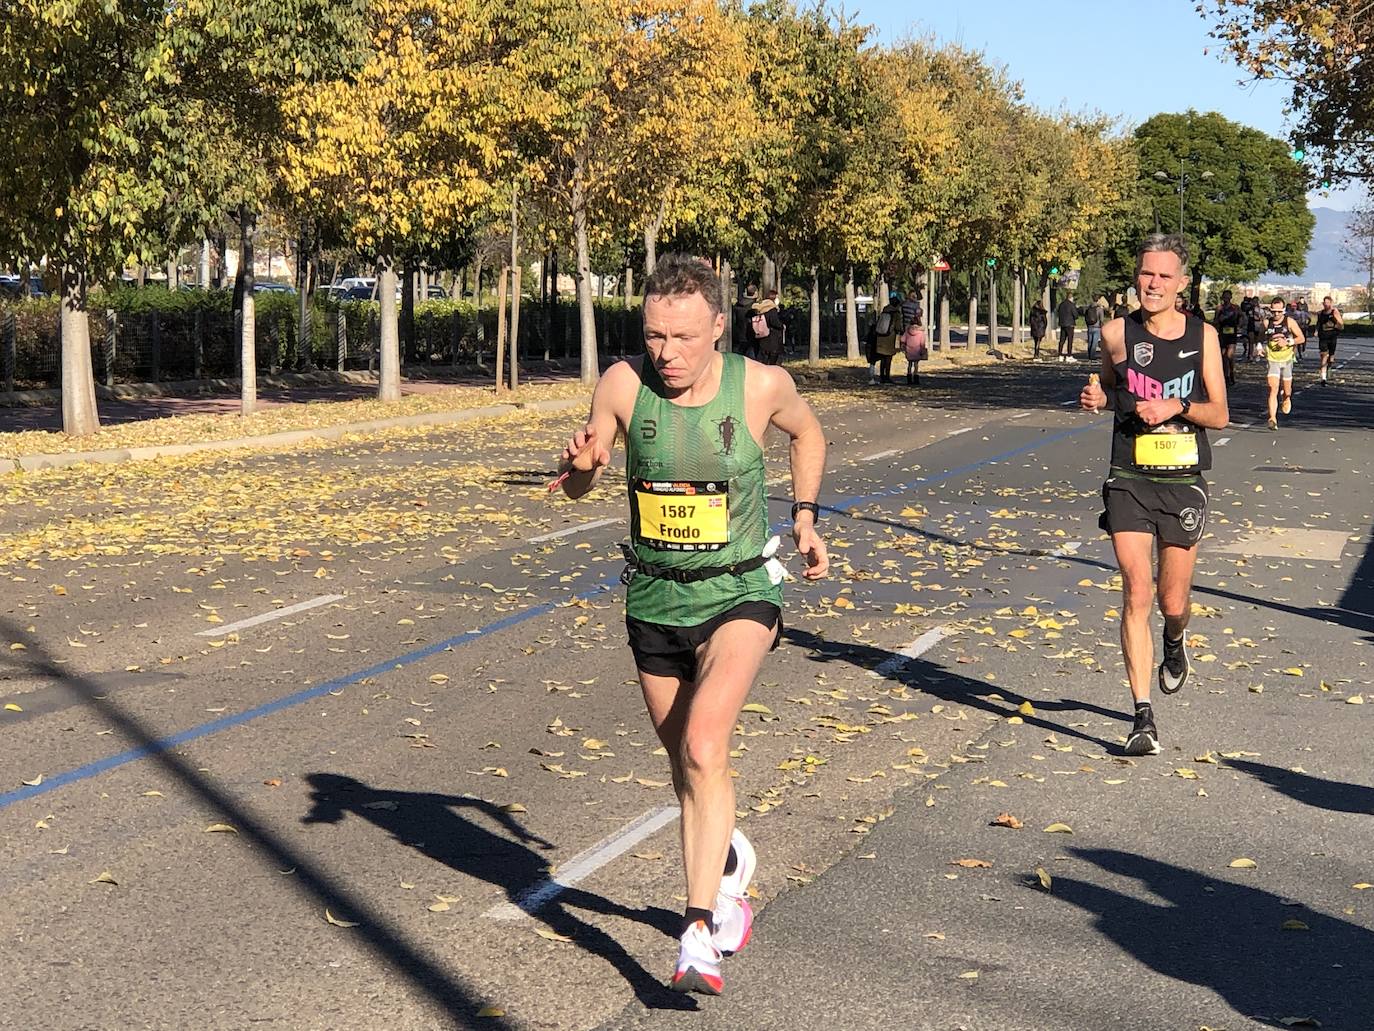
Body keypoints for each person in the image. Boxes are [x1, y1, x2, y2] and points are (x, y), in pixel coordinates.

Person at [554, 253, 829, 996]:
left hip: (738, 589)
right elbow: (585, 480)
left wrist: (804, 518)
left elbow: (810, 434)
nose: (665, 353)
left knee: (707, 744)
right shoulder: (622, 384)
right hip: (653, 598)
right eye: (653, 337)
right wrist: (579, 463)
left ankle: (699, 927)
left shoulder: (762, 384)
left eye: (680, 337)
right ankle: (731, 860)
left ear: (717, 326)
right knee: (688, 766)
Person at [1079, 233, 1228, 757]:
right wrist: (1095, 396)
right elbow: (1104, 388)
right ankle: (1142, 716)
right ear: (1136, 276)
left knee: (1172, 601)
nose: (1153, 284)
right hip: (1129, 478)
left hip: (1182, 481)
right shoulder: (1115, 333)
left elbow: (1219, 413)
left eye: (1165, 276)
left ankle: (1174, 639)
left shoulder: (1202, 335)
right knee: (1136, 593)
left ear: (1181, 283)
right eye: (1147, 273)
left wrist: (1175, 406)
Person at [1261, 296, 1304, 430]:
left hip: (1286, 360)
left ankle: (1286, 398)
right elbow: (1260, 337)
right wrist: (1258, 347)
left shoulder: (1289, 322)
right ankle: (1272, 418)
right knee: (1273, 389)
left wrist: (1288, 342)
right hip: (1273, 359)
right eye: (1274, 311)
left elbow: (1301, 338)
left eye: (1279, 311)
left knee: (1286, 389)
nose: (1276, 314)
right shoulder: (1267, 323)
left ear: (1284, 311)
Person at [871, 291, 902, 383]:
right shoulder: (896, 313)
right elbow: (897, 327)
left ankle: (882, 376)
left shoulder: (885, 310)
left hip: (880, 337)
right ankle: (887, 376)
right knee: (888, 358)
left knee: (882, 358)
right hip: (889, 337)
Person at [1212, 289, 1241, 386]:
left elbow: (1242, 317)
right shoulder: (1219, 308)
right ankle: (1226, 376)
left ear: (1231, 298)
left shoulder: (1235, 308)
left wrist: (1240, 324)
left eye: (1228, 297)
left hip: (1232, 333)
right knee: (1223, 355)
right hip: (1222, 333)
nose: (1226, 299)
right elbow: (1215, 321)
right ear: (1222, 298)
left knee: (1230, 355)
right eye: (1225, 297)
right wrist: (1218, 321)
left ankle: (1232, 372)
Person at [752, 290, 787, 366]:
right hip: (772, 336)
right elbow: (774, 322)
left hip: (762, 334)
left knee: (763, 357)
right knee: (772, 358)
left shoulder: (760, 307)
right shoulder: (771, 309)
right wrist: (782, 326)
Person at [1315, 295, 1343, 383]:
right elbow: (1318, 323)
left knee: (1331, 356)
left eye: (1328, 303)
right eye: (1325, 303)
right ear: (1323, 304)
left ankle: (1329, 366)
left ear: (1331, 303)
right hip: (1323, 335)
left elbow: (1341, 324)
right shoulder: (1320, 313)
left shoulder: (1334, 312)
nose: (1326, 304)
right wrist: (1316, 331)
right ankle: (1323, 377)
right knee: (1323, 355)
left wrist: (1338, 324)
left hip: (1332, 335)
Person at [900, 288, 926, 385]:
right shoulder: (916, 306)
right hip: (917, 347)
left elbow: (903, 340)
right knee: (916, 364)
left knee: (909, 363)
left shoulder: (904, 305)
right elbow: (922, 342)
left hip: (907, 328)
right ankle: (916, 377)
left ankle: (909, 377)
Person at [732, 285, 759, 360]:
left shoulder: (737, 306)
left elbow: (734, 320)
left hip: (738, 334)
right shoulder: (755, 307)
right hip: (751, 334)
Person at [1056, 292, 1078, 362]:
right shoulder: (1071, 305)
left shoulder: (1061, 304)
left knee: (1062, 340)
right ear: (1071, 298)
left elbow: (1058, 312)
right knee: (1070, 340)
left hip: (1062, 324)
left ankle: (1060, 355)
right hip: (1070, 324)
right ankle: (1069, 355)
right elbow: (1075, 315)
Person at [1084, 294, 1106, 360]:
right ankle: (1092, 355)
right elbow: (1101, 319)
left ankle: (1089, 354)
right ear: (1098, 300)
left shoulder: (1088, 307)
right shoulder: (1099, 309)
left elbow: (1086, 317)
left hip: (1090, 326)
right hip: (1097, 327)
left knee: (1090, 341)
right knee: (1094, 342)